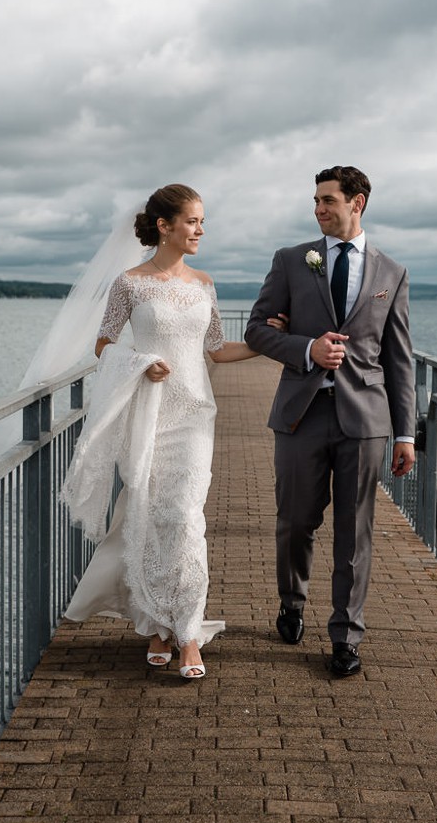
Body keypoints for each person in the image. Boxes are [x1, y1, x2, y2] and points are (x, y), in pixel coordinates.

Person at [60, 184, 281, 679]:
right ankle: (157, 625)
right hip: (150, 413)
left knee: (184, 517)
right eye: (193, 221)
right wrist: (140, 364)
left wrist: (273, 343)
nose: (200, 230)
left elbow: (218, 349)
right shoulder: (130, 284)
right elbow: (103, 344)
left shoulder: (203, 283)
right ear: (165, 226)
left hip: (194, 416)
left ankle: (187, 631)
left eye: (203, 222)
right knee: (152, 516)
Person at [244, 165, 414, 678]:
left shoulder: (392, 273)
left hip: (365, 420)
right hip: (301, 413)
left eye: (327, 201)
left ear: (357, 203)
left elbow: (399, 358)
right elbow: (255, 330)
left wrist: (405, 432)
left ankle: (345, 635)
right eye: (315, 201)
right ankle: (292, 602)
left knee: (355, 531)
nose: (318, 210)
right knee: (295, 521)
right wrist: (305, 348)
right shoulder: (292, 260)